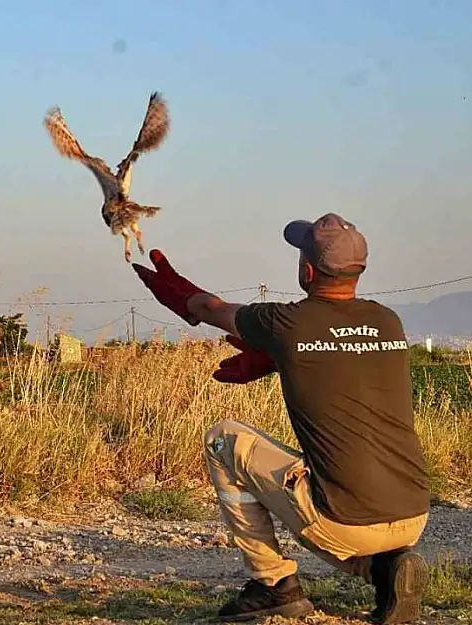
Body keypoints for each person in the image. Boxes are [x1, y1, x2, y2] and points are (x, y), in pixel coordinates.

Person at [132, 213, 431, 625]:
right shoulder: (387, 320)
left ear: (307, 271)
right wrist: (276, 359)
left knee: (223, 440)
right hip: (413, 514)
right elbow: (337, 356)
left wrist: (174, 291)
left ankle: (272, 584)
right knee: (337, 499)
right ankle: (386, 571)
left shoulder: (285, 322)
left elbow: (209, 308)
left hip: (347, 521)